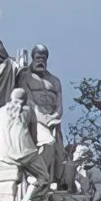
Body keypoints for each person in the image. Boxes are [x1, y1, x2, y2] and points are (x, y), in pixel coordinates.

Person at [0, 89, 52, 201]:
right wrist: (35, 147)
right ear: (25, 100)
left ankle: (27, 196)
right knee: (44, 176)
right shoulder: (28, 110)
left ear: (11, 98)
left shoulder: (1, 111)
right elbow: (34, 132)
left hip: (5, 155)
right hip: (27, 153)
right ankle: (29, 198)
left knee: (29, 173)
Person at [17, 46, 67, 187]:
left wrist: (55, 116)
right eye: (38, 57)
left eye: (43, 58)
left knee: (58, 155)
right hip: (34, 118)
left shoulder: (54, 80)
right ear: (33, 57)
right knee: (47, 143)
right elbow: (27, 99)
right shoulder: (25, 76)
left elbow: (59, 104)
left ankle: (49, 182)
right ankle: (38, 178)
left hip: (53, 120)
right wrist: (43, 118)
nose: (40, 60)